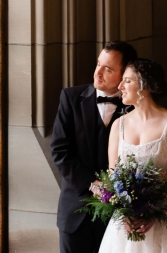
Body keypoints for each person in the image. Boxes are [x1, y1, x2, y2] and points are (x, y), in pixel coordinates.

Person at [96, 59, 167, 253]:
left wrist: (154, 213)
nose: (120, 86)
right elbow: (113, 174)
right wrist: (125, 214)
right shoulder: (118, 125)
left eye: (127, 81)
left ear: (144, 86)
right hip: (129, 218)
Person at [53, 41, 139, 253]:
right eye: (98, 64)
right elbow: (60, 152)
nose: (97, 73)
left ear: (125, 75)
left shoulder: (136, 107)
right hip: (75, 212)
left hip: (119, 217)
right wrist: (93, 185)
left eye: (107, 69)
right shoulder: (71, 98)